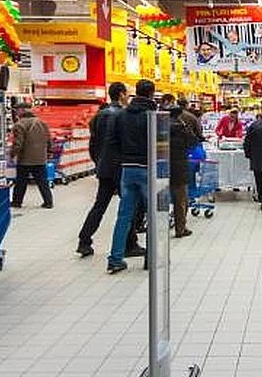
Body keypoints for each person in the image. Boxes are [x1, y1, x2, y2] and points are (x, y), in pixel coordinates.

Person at [107, 79, 158, 273]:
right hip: (147, 169)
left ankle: (115, 259)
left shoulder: (121, 115)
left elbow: (112, 142)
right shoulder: (152, 116)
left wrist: (123, 159)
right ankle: (150, 259)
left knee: (124, 216)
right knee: (153, 215)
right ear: (151, 94)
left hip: (127, 170)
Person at [76, 82, 128, 257]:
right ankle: (129, 243)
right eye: (126, 94)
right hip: (120, 167)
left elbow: (93, 144)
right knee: (129, 206)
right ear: (121, 94)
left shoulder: (98, 117)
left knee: (99, 205)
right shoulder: (122, 115)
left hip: (104, 166)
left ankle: (84, 240)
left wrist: (98, 162)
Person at [164, 94, 200, 239]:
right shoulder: (182, 127)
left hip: (162, 166)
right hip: (179, 166)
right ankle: (180, 228)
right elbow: (194, 141)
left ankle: (158, 227)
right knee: (181, 199)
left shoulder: (160, 127)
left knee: (161, 197)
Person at [10, 105, 53, 209]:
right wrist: (49, 152)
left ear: (22, 110)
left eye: (17, 110)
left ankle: (17, 202)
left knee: (21, 182)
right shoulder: (42, 123)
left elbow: (18, 144)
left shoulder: (19, 125)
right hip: (40, 158)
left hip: (25, 159)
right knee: (43, 182)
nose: (16, 113)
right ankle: (48, 202)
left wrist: (12, 154)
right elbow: (49, 140)